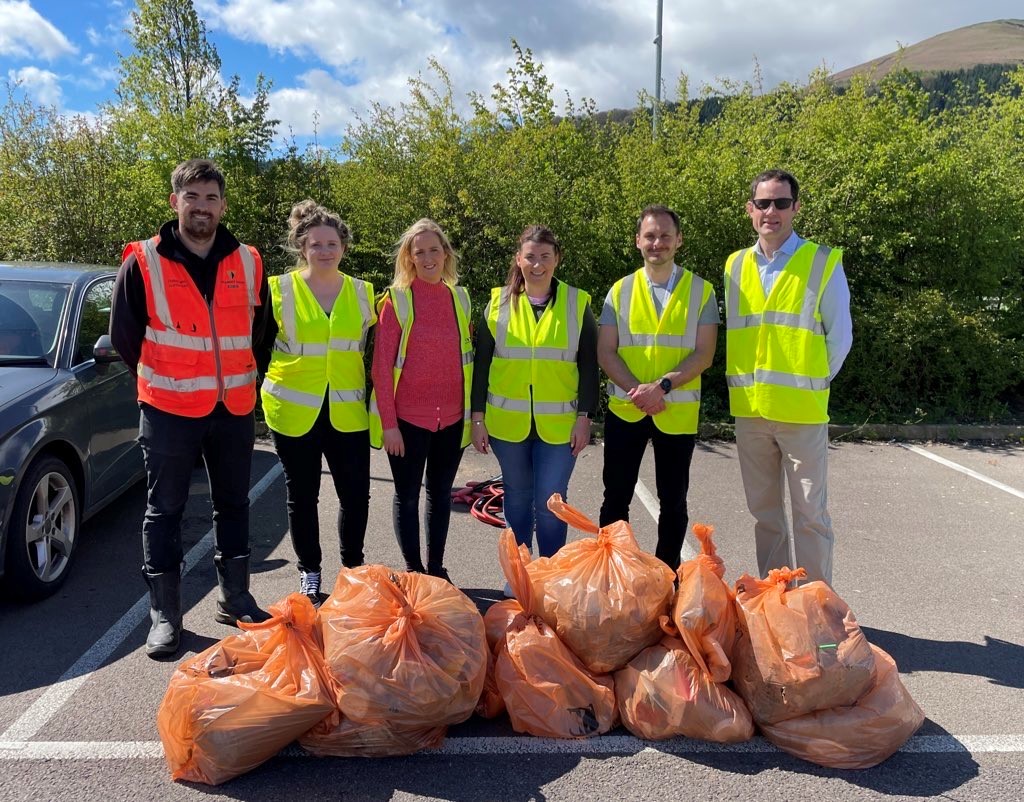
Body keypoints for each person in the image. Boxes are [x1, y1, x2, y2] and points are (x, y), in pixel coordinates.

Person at [110, 158, 270, 659]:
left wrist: (241, 377)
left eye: (211, 198)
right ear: (174, 201)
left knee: (235, 504)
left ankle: (236, 597)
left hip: (233, 406)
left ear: (223, 205)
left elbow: (261, 334)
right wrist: (172, 378)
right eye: (192, 196)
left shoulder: (248, 260)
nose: (202, 207)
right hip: (168, 410)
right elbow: (125, 336)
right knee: (165, 511)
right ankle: (165, 615)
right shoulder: (143, 261)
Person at [724, 169, 852, 586]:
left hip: (801, 413)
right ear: (750, 210)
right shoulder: (735, 265)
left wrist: (810, 382)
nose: (771, 212)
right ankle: (777, 602)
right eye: (763, 203)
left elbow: (840, 338)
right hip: (751, 411)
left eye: (781, 203)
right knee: (765, 516)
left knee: (810, 516)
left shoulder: (821, 262)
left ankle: (817, 610)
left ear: (796, 207)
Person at [255, 200, 375, 608]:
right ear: (301, 247)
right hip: (292, 410)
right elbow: (257, 349)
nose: (325, 250)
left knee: (356, 495)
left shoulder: (363, 293)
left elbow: (372, 352)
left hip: (347, 410)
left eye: (332, 243)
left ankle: (353, 569)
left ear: (344, 246)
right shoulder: (278, 288)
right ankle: (310, 571)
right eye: (316, 244)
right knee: (302, 495)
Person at [471, 226, 598, 580]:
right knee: (516, 498)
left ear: (557, 259)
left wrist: (585, 416)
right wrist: (477, 418)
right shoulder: (496, 304)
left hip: (560, 425)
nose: (537, 265)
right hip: (507, 423)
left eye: (545, 257)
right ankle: (521, 577)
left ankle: (553, 577)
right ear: (518, 259)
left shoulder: (578, 302)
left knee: (550, 501)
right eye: (530, 257)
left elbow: (589, 364)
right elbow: (482, 365)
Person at [598, 205, 719, 572]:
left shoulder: (701, 291)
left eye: (665, 235)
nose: (657, 243)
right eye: (650, 236)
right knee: (615, 498)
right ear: (638, 241)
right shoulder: (619, 291)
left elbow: (705, 353)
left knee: (673, 501)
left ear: (678, 240)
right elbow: (606, 351)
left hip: (676, 412)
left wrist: (662, 387)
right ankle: (615, 573)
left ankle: (667, 579)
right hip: (627, 409)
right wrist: (640, 390)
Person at [369, 218, 473, 582]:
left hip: (453, 418)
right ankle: (414, 570)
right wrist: (389, 425)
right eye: (420, 251)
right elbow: (381, 368)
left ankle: (436, 569)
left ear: (446, 253)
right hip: (408, 420)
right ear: (409, 258)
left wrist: (473, 417)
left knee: (440, 495)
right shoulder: (396, 301)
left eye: (434, 249)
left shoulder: (460, 297)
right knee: (408, 496)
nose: (428, 257)